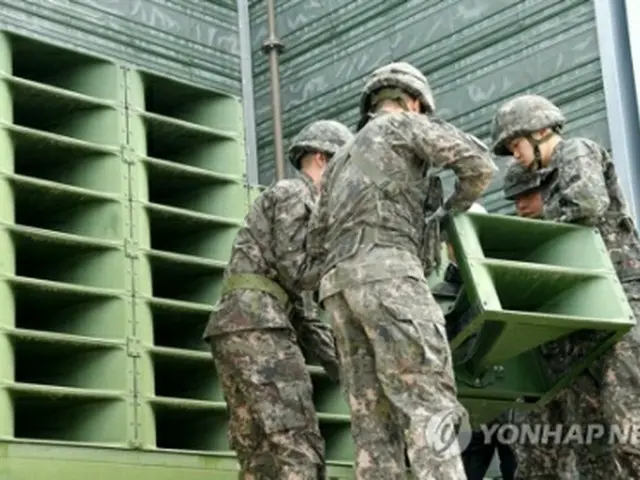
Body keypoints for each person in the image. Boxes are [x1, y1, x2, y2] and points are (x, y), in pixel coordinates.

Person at [303, 61, 497, 479]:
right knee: (430, 406)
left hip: (338, 294)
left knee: (372, 425)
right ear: (412, 102)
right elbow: (479, 163)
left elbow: (315, 242)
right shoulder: (403, 126)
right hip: (391, 277)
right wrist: (451, 210)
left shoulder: (337, 163)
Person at [492, 93, 640, 479]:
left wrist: (530, 237)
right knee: (594, 446)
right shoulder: (550, 176)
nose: (516, 155)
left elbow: (586, 204)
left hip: (620, 304)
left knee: (630, 424)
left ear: (540, 131)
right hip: (587, 315)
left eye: (516, 144)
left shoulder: (575, 152)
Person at [203, 119, 353, 479]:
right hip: (260, 329)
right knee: (298, 444)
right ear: (321, 158)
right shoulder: (295, 194)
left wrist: (349, 374)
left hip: (241, 328)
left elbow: (305, 314)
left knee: (259, 454)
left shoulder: (290, 198)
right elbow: (298, 270)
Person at [432, 202, 518, 480]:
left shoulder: (508, 282)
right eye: (456, 239)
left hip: (511, 400)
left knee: (522, 468)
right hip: (469, 404)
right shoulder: (438, 296)